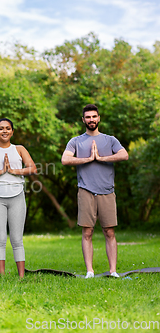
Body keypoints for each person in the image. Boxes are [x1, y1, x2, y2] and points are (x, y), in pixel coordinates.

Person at [62, 104, 129, 278]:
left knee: (109, 231)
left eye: (94, 116)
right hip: (85, 191)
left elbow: (124, 155)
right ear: (83, 120)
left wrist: (100, 158)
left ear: (99, 118)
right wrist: (87, 159)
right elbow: (65, 160)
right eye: (88, 117)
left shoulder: (110, 140)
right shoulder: (75, 141)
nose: (91, 120)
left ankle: (113, 271)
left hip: (107, 190)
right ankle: (89, 271)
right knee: (87, 232)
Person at [0, 118, 37, 278]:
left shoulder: (19, 149)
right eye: (1, 128)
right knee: (0, 238)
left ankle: (22, 276)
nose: (5, 131)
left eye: (8, 128)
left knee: (17, 239)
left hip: (17, 196)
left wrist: (13, 171)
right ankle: (2, 276)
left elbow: (33, 168)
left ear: (12, 132)